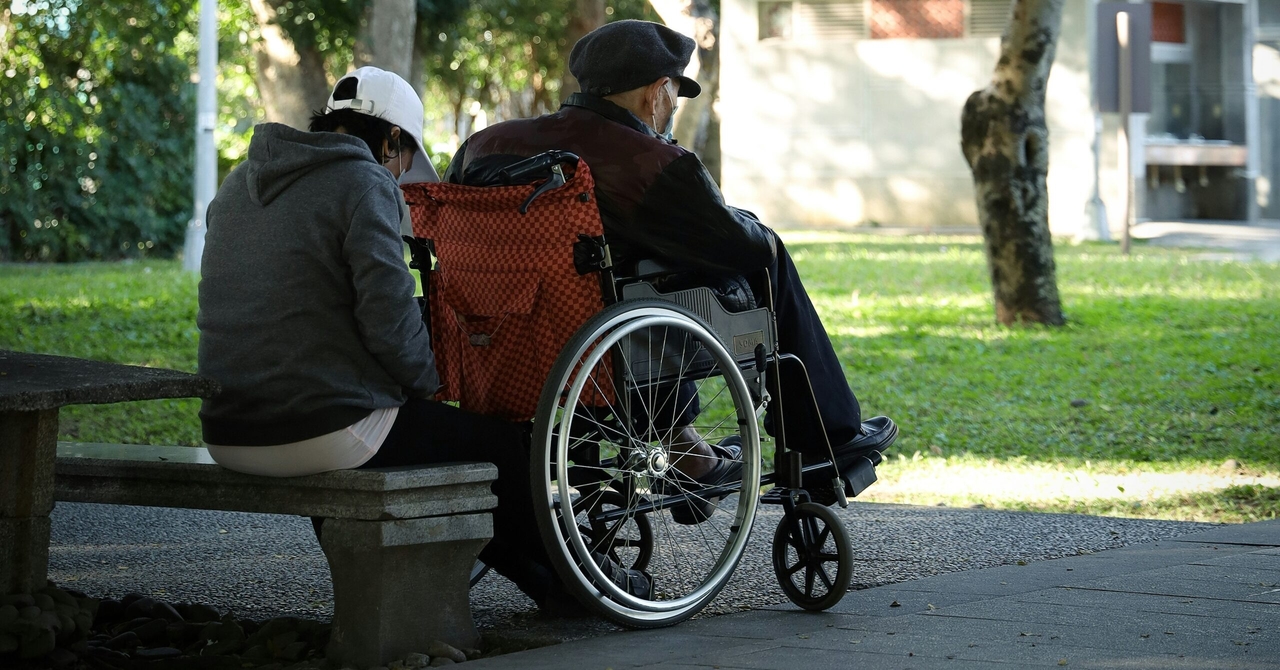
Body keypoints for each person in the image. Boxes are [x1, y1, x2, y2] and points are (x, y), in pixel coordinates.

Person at [196, 66, 645, 612]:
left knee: (443, 443)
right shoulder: (364, 182)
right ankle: (586, 586)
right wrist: (430, 384)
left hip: (228, 430)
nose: (402, 171)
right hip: (321, 429)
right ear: (390, 139)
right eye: (404, 156)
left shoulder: (238, 182)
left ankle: (550, 584)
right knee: (503, 449)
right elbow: (387, 320)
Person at [443, 21, 897, 510]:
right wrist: (752, 226)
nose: (672, 110)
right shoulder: (649, 161)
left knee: (628, 292)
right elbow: (740, 248)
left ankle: (687, 451)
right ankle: (828, 435)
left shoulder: (483, 146)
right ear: (658, 93)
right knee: (768, 258)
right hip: (602, 340)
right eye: (674, 98)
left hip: (498, 336)